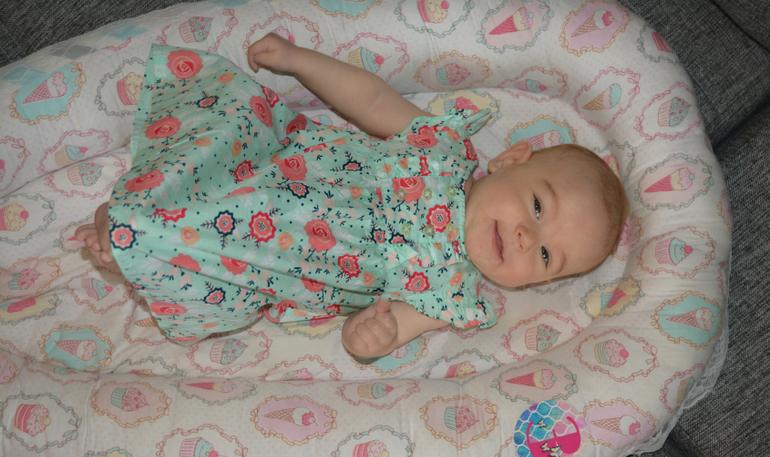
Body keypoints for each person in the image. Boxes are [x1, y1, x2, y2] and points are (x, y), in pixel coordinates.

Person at [76, 34, 628, 359]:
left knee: (217, 265)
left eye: (546, 256)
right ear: (509, 160)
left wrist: (373, 338)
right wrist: (299, 61)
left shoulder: (451, 294)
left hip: (275, 258)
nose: (527, 237)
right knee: (223, 144)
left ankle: (132, 233)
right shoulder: (443, 148)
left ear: (536, 284)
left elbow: (388, 329)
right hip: (277, 164)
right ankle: (140, 209)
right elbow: (371, 101)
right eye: (537, 207)